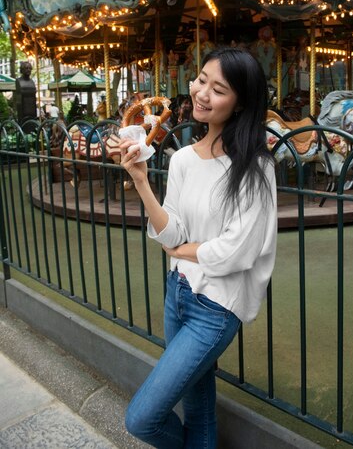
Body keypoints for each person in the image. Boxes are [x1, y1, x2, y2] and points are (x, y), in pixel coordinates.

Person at [120, 47, 277, 449]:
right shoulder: (184, 159)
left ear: (241, 102)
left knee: (142, 418)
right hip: (179, 294)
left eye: (219, 88)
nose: (203, 94)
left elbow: (236, 252)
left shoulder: (255, 167)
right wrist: (140, 180)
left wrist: (183, 252)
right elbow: (172, 232)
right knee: (199, 405)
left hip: (217, 307)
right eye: (201, 80)